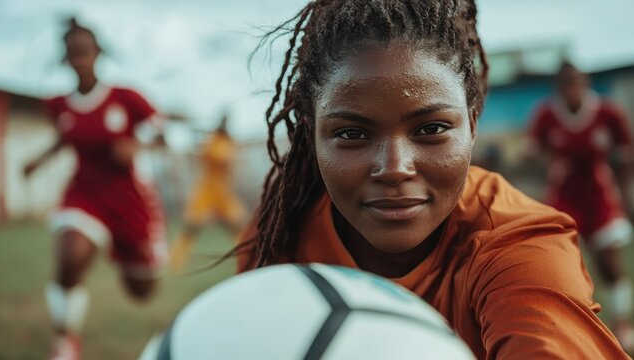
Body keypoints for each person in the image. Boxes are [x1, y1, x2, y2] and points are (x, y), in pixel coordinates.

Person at [230, 1, 630, 358]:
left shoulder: (518, 247)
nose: (394, 168)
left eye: (431, 128)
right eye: (352, 134)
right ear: (311, 132)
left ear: (472, 125)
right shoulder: (282, 227)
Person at [23, 18, 167, 360]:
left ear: (97, 53)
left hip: (129, 200)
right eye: (73, 53)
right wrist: (38, 160)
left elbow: (160, 133)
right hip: (84, 194)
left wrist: (136, 145)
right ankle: (65, 342)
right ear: (66, 59)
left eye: (85, 51)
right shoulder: (58, 105)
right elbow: (64, 137)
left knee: (142, 291)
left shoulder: (126, 98)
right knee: (69, 258)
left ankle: (120, 250)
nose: (80, 59)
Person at [527, 62, 634, 351]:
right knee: (564, 265)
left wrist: (627, 197)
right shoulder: (547, 115)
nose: (572, 90)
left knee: (610, 263)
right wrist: (547, 163)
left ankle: (623, 323)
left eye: (576, 83)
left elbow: (625, 158)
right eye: (565, 85)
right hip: (564, 197)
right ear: (558, 89)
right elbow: (532, 154)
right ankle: (573, 328)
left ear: (585, 84)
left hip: (600, 195)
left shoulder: (608, 113)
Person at [169, 114, 247, 270]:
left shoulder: (228, 142)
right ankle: (175, 261)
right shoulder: (213, 142)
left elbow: (232, 163)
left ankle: (247, 255)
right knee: (191, 226)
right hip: (207, 190)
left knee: (238, 225)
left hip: (223, 192)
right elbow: (219, 157)